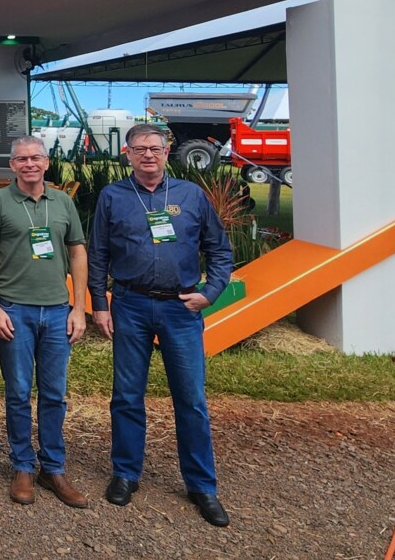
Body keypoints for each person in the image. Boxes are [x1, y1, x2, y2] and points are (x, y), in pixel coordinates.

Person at [88, 123, 235, 527]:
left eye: (155, 148)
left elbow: (220, 250)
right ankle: (125, 473)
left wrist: (211, 292)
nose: (148, 155)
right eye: (140, 149)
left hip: (180, 309)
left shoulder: (190, 195)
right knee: (126, 395)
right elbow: (98, 253)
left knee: (191, 398)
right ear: (128, 154)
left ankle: (202, 485)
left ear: (167, 152)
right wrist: (99, 304)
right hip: (130, 305)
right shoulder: (113, 196)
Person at [0, 136, 90, 508]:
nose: (29, 164)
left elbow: (77, 252)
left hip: (57, 310)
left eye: (36, 158)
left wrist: (78, 307)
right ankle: (23, 466)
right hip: (15, 310)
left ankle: (53, 468)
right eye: (22, 159)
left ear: (46, 163)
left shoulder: (63, 202)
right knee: (18, 392)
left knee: (54, 393)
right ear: (12, 165)